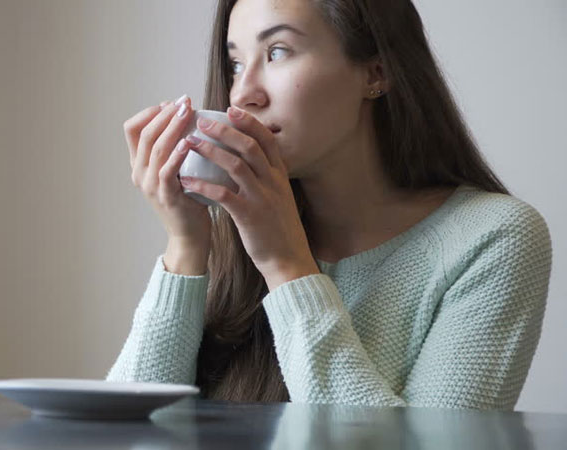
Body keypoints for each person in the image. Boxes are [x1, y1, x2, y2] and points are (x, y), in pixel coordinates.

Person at [107, 0, 552, 410]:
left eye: (278, 51)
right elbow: (119, 432)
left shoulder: (494, 237)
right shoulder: (230, 228)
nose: (243, 93)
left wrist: (286, 265)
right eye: (236, 64)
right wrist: (185, 245)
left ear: (376, 71)